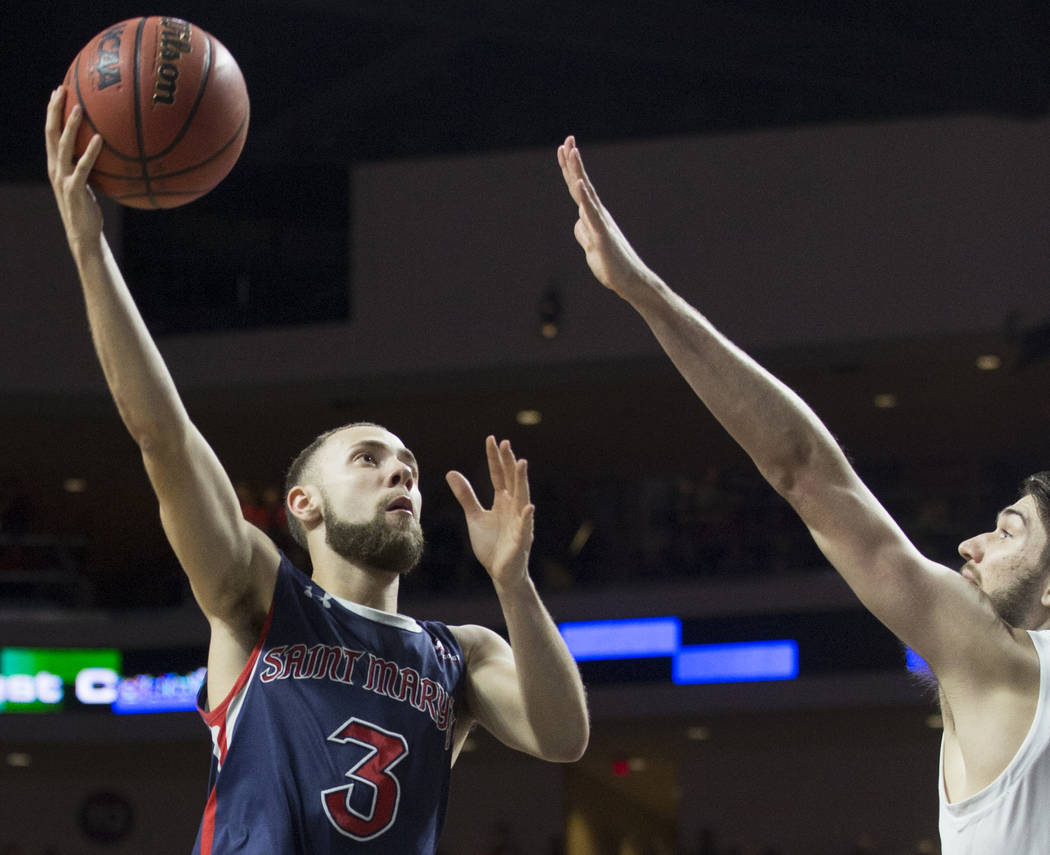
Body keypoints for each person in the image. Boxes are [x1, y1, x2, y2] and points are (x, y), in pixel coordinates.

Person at [43, 88, 588, 855]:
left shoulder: (456, 654)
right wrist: (89, 250)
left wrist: (515, 583)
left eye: (409, 466)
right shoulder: (259, 597)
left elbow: (563, 737)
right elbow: (162, 436)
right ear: (304, 502)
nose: (400, 475)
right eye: (369, 459)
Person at [558, 134, 1050, 853]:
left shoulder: (1003, 659)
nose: (971, 543)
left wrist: (647, 294)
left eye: (1009, 531)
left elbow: (801, 468)